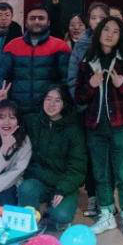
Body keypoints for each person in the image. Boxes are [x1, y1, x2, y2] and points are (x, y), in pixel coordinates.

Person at [75, 16, 123, 239]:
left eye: (116, 31)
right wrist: (91, 85)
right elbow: (79, 96)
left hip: (121, 125)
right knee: (100, 173)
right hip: (95, 126)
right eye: (106, 30)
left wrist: (122, 85)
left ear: (120, 36)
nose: (110, 35)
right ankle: (106, 214)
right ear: (99, 32)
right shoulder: (88, 60)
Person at [19, 86, 86, 233]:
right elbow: (8, 118)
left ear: (64, 103)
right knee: (26, 189)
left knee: (62, 216)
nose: (51, 104)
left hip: (62, 184)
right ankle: (37, 215)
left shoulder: (73, 130)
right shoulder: (32, 121)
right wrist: (1, 101)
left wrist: (62, 189)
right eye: (48, 99)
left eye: (57, 100)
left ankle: (46, 209)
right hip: (38, 181)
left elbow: (78, 168)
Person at [0, 4, 71, 116]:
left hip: (48, 111)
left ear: (48, 22)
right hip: (17, 110)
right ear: (26, 22)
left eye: (41, 18)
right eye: (32, 18)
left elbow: (66, 80)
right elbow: (0, 77)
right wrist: (4, 101)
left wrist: (63, 105)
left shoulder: (60, 46)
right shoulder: (12, 46)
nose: (36, 21)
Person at [66, 2, 110, 96]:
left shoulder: (117, 40)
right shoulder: (81, 44)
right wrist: (78, 98)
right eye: (93, 18)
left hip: (113, 98)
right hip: (87, 97)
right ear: (89, 21)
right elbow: (72, 76)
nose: (98, 21)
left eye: (102, 18)